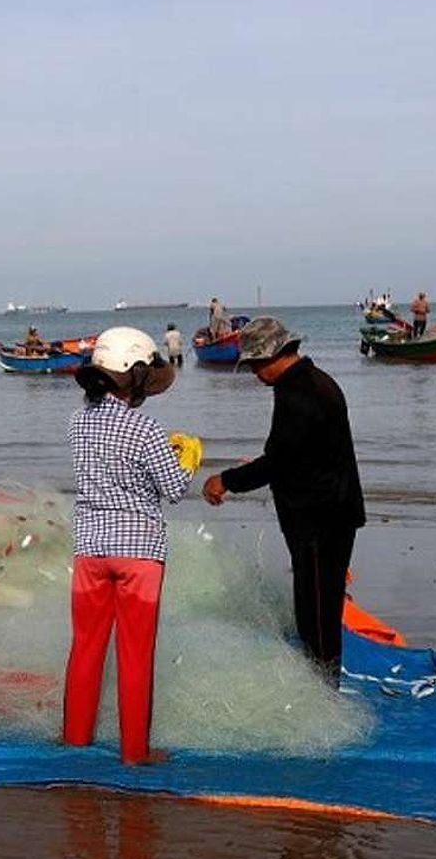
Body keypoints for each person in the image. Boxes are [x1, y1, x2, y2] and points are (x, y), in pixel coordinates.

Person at [202, 318, 364, 686]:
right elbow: (297, 454)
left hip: (322, 516)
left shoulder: (300, 392)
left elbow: (280, 461)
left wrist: (225, 480)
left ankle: (325, 691)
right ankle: (319, 680)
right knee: (312, 602)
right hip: (322, 510)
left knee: (317, 610)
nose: (256, 374)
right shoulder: (307, 382)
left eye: (258, 364)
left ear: (276, 355)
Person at [64, 328, 199, 765]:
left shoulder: (77, 421)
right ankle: (135, 753)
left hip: (90, 549)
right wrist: (189, 458)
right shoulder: (145, 428)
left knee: (85, 648)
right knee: (135, 656)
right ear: (136, 377)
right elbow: (174, 488)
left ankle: (76, 740)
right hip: (139, 553)